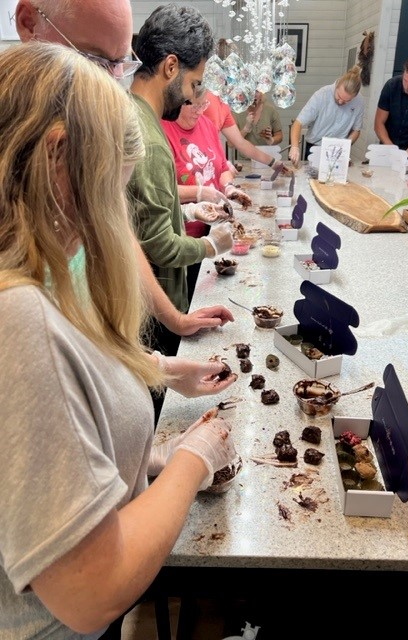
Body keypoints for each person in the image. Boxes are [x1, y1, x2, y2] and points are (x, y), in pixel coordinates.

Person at [0, 41, 237, 640]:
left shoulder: (37, 269)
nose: (110, 216)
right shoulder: (16, 314)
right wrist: (192, 460)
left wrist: (145, 441)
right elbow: (92, 589)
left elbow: (58, 420)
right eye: (109, 189)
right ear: (58, 159)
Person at [15, 0, 235, 346]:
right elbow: (150, 241)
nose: (109, 83)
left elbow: (122, 225)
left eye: (119, 64)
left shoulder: (119, 118)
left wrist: (188, 209)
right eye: (93, 60)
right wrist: (210, 244)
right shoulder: (138, 136)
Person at [128, 5, 235, 363]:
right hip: (151, 313)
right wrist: (210, 244)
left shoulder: (130, 112)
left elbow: (136, 215)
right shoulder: (152, 140)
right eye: (194, 82)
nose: (191, 96)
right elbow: (161, 248)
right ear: (170, 67)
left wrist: (185, 207)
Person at [162, 86, 253, 298]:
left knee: (207, 295)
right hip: (182, 237)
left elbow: (221, 168)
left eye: (203, 105)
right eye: (192, 104)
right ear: (177, 101)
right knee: (186, 298)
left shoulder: (207, 126)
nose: (198, 111)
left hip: (212, 229)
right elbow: (161, 190)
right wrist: (200, 192)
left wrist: (228, 188)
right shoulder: (163, 130)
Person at [202, 38, 286, 172]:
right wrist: (223, 166)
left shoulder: (224, 105)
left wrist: (273, 162)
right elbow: (202, 146)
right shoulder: (206, 99)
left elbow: (240, 143)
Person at [289, 65, 364, 166]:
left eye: (347, 101)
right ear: (337, 86)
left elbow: (356, 130)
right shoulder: (322, 95)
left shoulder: (359, 101)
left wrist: (346, 145)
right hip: (315, 147)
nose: (341, 102)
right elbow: (298, 123)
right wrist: (294, 147)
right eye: (339, 97)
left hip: (339, 149)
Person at [233, 89, 284, 157]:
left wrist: (271, 140)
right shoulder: (237, 112)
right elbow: (231, 144)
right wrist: (246, 129)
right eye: (250, 91)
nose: (254, 94)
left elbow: (279, 136)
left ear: (261, 93)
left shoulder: (270, 110)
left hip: (266, 160)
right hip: (245, 160)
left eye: (257, 91)